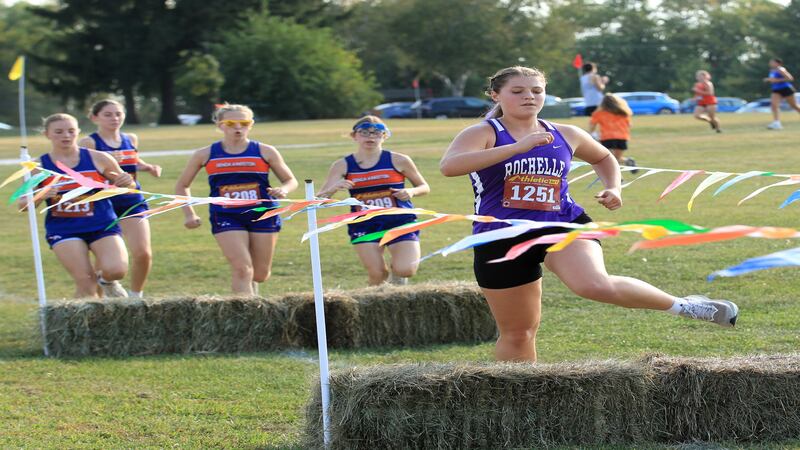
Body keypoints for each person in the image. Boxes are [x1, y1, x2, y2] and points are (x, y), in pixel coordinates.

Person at [440, 66, 739, 363]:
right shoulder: (484, 132)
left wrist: (614, 187)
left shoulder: (564, 133)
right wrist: (518, 147)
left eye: (536, 91)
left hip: (564, 223)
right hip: (501, 236)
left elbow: (604, 156)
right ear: (496, 95)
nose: (529, 97)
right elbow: (450, 166)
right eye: (517, 91)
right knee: (518, 333)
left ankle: (685, 306)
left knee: (593, 284)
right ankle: (524, 395)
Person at [175, 104, 298, 295]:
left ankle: (251, 289)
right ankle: (246, 315)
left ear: (251, 125)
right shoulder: (205, 154)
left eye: (244, 123)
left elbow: (290, 180)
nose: (238, 128)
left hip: (262, 214)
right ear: (219, 125)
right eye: (231, 123)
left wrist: (283, 190)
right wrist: (189, 214)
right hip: (226, 214)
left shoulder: (265, 151)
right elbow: (182, 185)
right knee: (242, 269)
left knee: (259, 274)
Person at [19, 114, 134, 298]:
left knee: (116, 270)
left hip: (102, 224)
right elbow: (23, 204)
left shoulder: (99, 158)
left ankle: (106, 282)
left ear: (78, 132)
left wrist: (126, 181)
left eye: (71, 131)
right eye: (59, 132)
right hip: (65, 229)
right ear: (47, 134)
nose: (66, 136)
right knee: (86, 284)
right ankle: (84, 325)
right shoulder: (39, 166)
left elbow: (128, 186)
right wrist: (39, 195)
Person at [317, 116, 430, 286]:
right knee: (378, 274)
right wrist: (334, 188)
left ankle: (396, 285)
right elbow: (319, 201)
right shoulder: (342, 165)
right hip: (364, 224)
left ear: (385, 136)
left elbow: (424, 186)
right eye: (364, 133)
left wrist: (411, 192)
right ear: (354, 136)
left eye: (377, 133)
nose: (370, 137)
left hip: (400, 221)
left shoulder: (399, 160)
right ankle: (378, 301)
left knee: (406, 269)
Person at [78, 99, 162, 298]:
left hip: (131, 199)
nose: (115, 118)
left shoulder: (131, 138)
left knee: (143, 253)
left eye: (118, 114)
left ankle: (135, 298)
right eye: (108, 114)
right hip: (103, 203)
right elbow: (82, 170)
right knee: (104, 262)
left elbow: (133, 160)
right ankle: (99, 302)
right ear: (94, 118)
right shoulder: (89, 142)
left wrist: (147, 167)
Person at [589, 93, 636, 170]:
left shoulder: (599, 113)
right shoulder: (623, 112)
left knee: (609, 159)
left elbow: (592, 125)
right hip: (622, 138)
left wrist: (592, 134)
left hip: (607, 138)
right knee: (616, 158)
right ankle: (628, 161)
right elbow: (629, 125)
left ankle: (620, 179)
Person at [764, 58, 800, 130]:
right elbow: (773, 80)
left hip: (786, 88)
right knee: (774, 105)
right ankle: (777, 123)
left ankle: (777, 123)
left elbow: (790, 78)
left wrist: (777, 80)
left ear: (778, 63)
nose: (770, 63)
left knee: (794, 106)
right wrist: (769, 80)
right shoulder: (772, 71)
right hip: (776, 90)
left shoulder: (781, 69)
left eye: (772, 62)